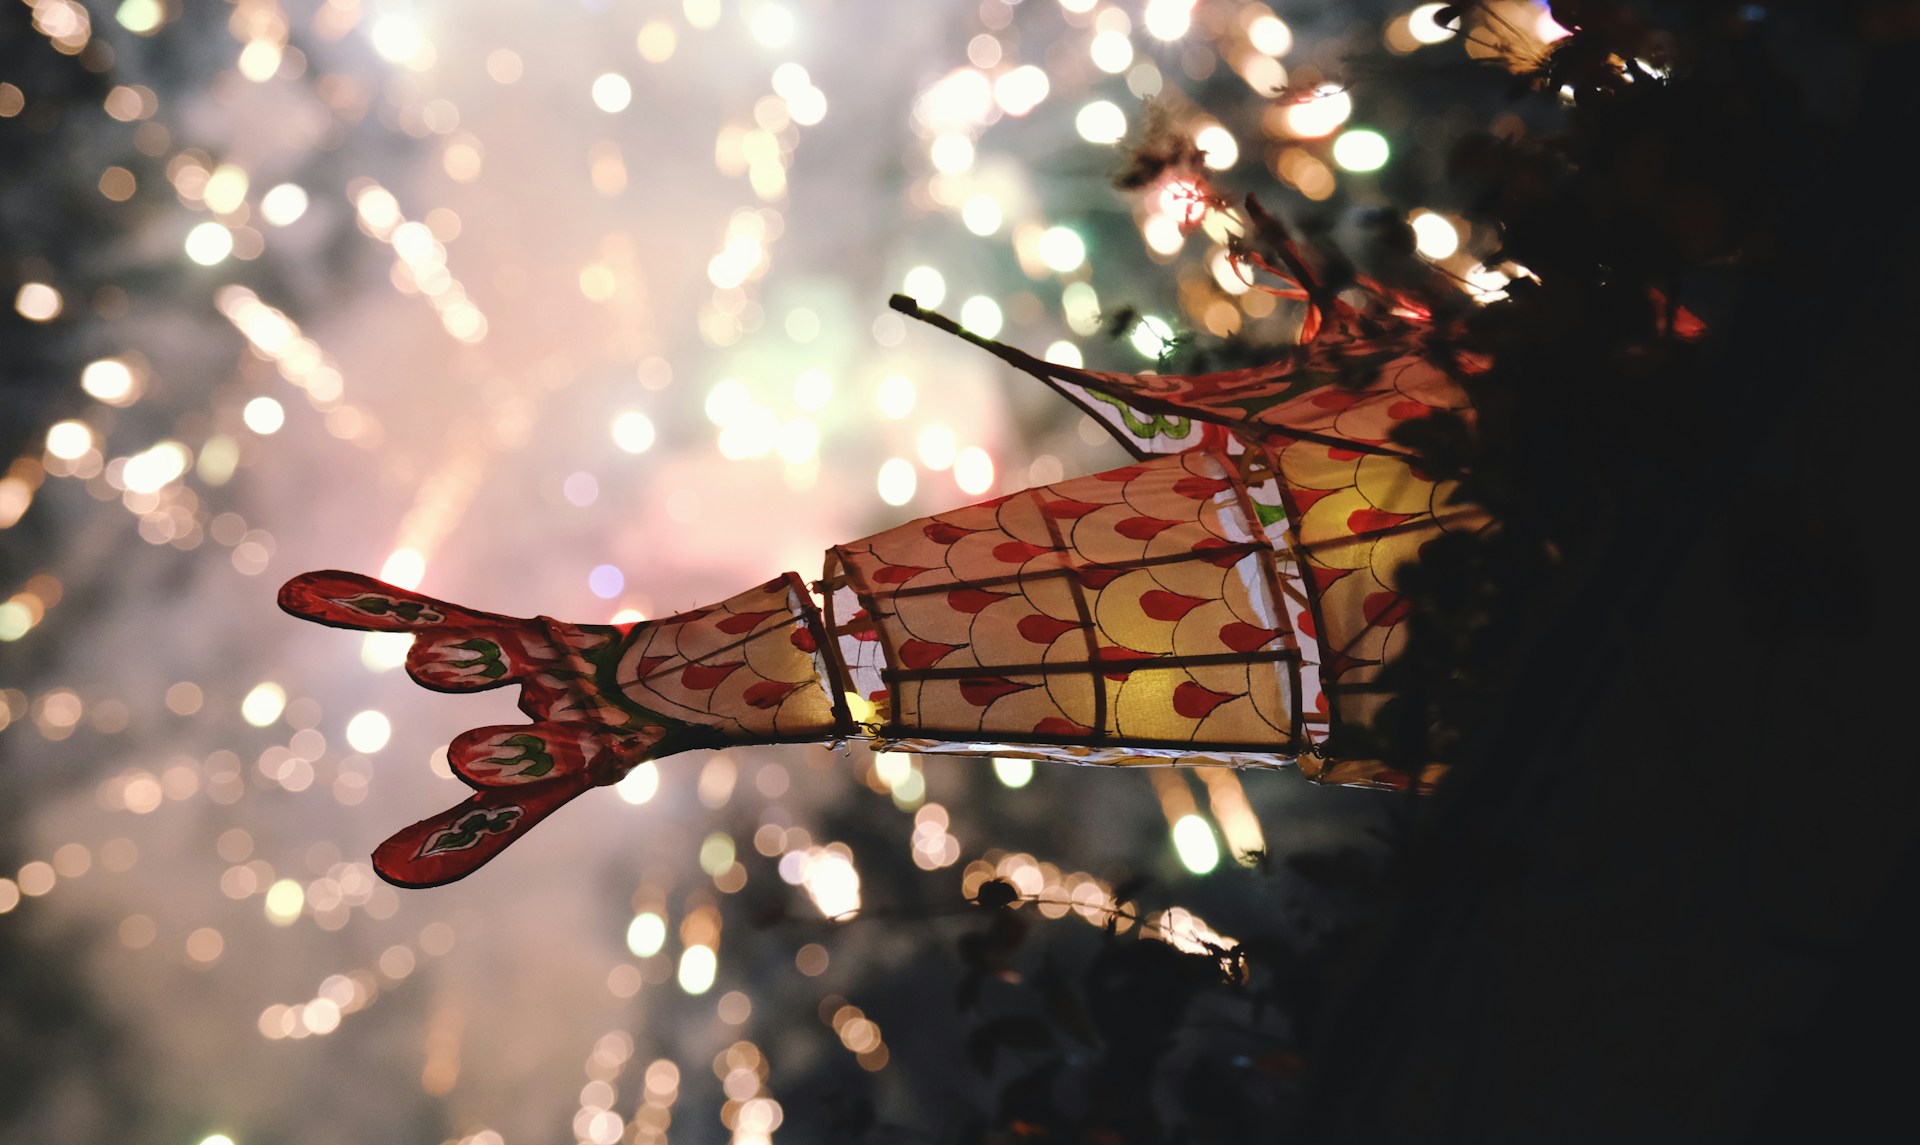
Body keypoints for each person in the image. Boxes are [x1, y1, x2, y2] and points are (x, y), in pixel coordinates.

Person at [281, 285, 1481, 887]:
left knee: (1026, 615)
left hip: (1335, 606)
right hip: (1347, 588)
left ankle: (614, 684)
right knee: (1026, 611)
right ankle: (616, 683)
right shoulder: (1453, 409)